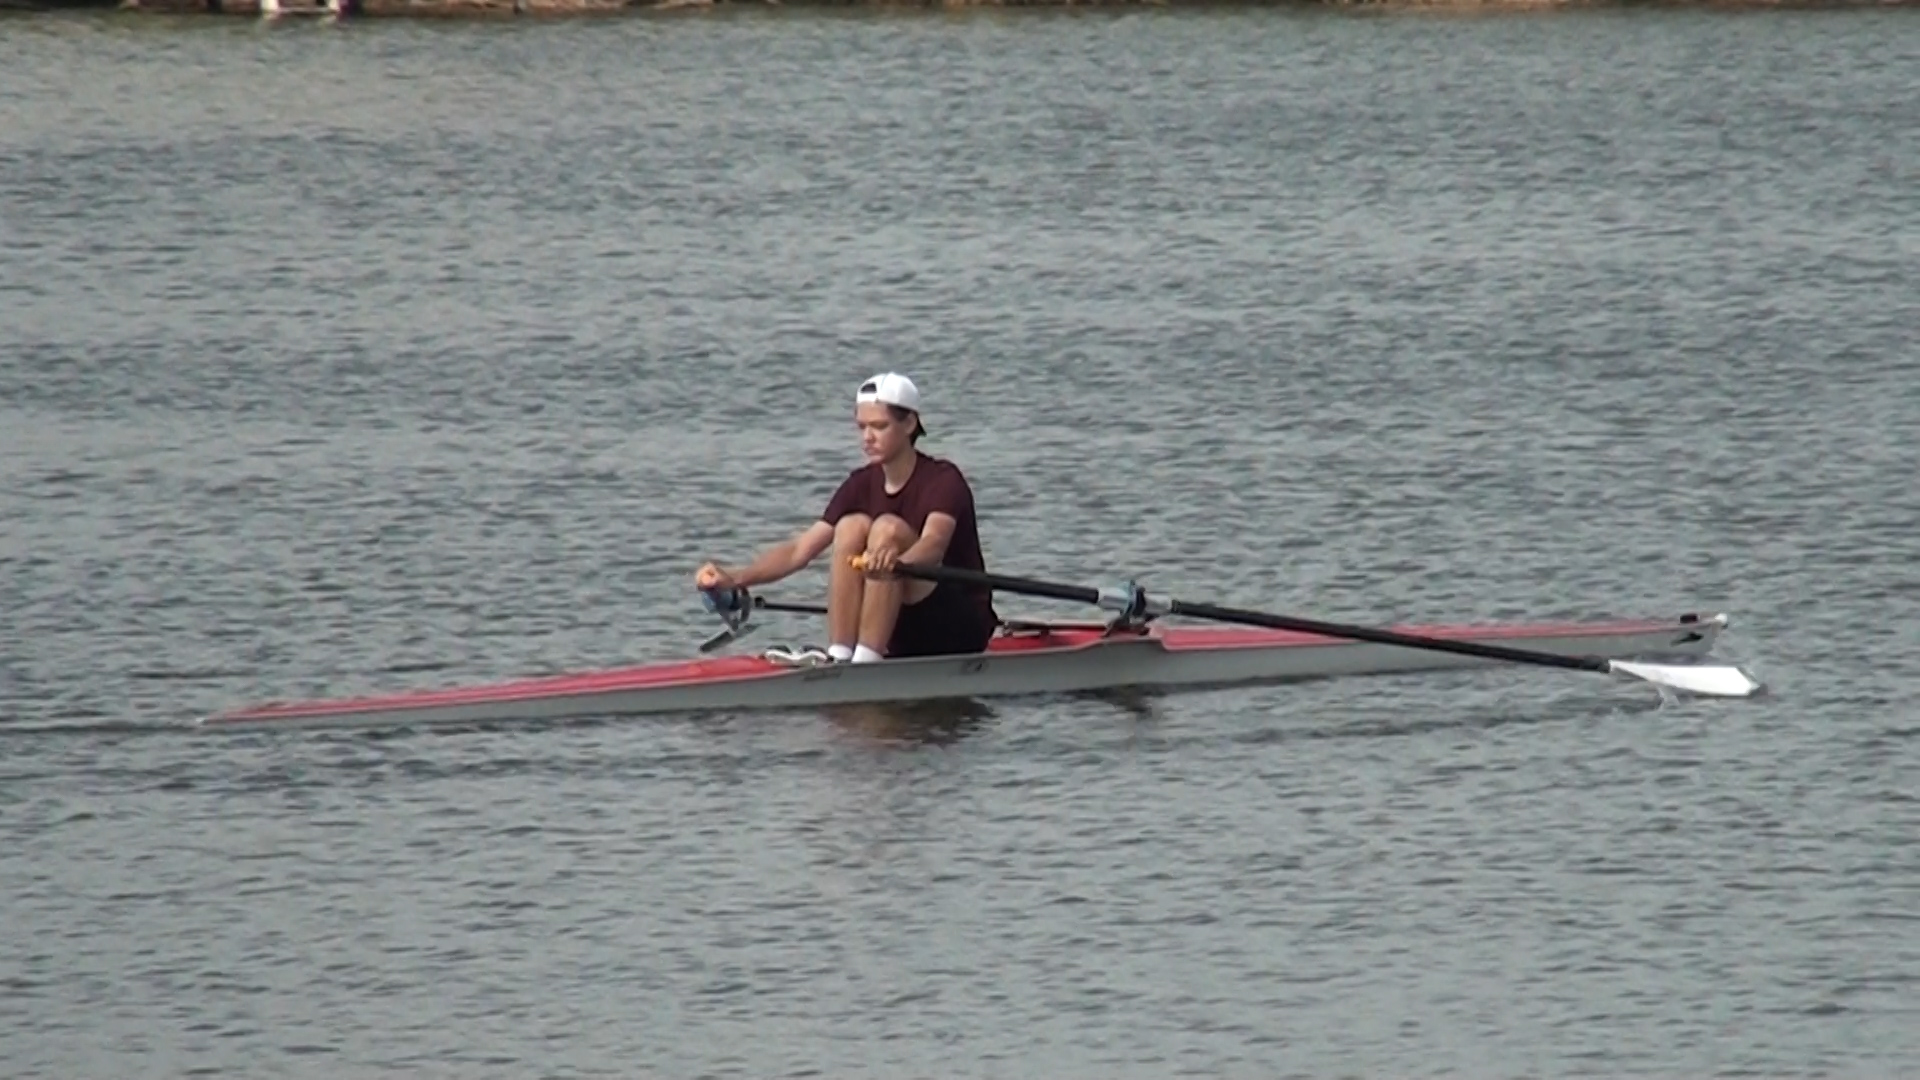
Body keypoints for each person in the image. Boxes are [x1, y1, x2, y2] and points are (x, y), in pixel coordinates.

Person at [693, 372, 997, 664]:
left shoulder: (943, 479)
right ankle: (841, 654)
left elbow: (933, 544)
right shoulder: (859, 484)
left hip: (957, 628)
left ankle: (865, 663)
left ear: (909, 424)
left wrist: (898, 563)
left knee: (886, 530)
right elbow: (801, 550)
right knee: (851, 526)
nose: (867, 438)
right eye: (862, 427)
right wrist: (735, 577)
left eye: (879, 426)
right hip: (899, 627)